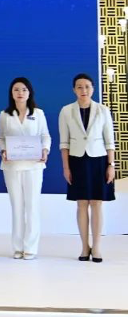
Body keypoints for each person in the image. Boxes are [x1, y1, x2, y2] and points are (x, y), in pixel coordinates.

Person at [59, 73, 116, 263]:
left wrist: (111, 165)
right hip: (77, 161)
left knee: (97, 203)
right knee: (82, 203)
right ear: (74, 90)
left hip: (99, 160)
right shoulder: (66, 111)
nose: (83, 90)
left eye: (87, 86)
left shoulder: (103, 110)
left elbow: (110, 141)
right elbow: (64, 143)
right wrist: (66, 167)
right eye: (79, 87)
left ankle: (97, 246)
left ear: (93, 89)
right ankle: (85, 246)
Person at [0, 77, 51, 260]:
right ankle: (18, 247)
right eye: (16, 90)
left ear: (29, 93)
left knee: (32, 206)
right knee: (17, 207)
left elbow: (45, 136)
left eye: (24, 89)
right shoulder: (5, 115)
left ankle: (31, 247)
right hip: (12, 166)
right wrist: (3, 150)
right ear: (11, 93)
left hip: (34, 166)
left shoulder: (38, 113)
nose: (20, 93)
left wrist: (45, 150)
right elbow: (0, 138)